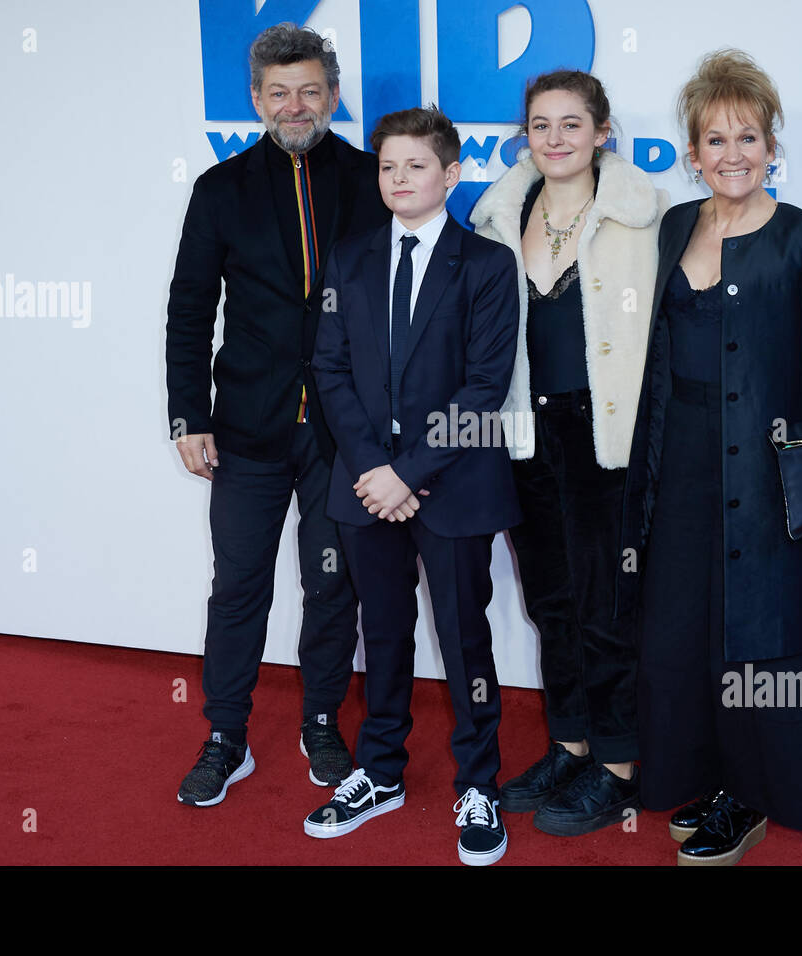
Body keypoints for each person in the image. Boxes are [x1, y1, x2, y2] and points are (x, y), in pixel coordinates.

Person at [617, 49, 802, 865]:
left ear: (772, 146)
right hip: (685, 463)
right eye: (714, 138)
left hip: (773, 472)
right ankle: (706, 773)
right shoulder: (675, 226)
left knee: (768, 632)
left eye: (748, 137)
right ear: (691, 152)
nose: (732, 154)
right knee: (685, 626)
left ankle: (757, 794)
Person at [165, 23, 390, 806]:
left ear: (331, 95)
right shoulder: (219, 190)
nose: (295, 105)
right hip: (247, 432)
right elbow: (190, 307)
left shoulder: (371, 181)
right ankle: (226, 733)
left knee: (333, 588)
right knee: (238, 588)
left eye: (310, 90)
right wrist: (187, 415)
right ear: (257, 99)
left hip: (342, 433)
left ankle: (322, 718)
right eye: (279, 92)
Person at [306, 106, 521, 865]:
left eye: (416, 166)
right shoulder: (352, 258)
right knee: (384, 634)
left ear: (452, 174)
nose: (399, 179)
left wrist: (408, 473)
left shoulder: (489, 265)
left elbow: (486, 387)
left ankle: (480, 785)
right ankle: (379, 770)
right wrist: (374, 470)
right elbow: (329, 368)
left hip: (452, 483)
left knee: (466, 641)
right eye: (388, 167)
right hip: (366, 485)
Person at [470, 70, 666, 836]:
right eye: (541, 125)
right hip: (524, 433)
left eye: (571, 124)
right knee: (551, 602)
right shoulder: (497, 215)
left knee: (607, 605)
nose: (555, 138)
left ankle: (617, 766)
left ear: (602, 132)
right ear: (525, 136)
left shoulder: (640, 216)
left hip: (604, 439)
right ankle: (572, 743)